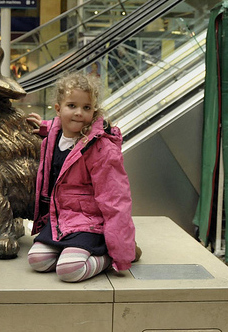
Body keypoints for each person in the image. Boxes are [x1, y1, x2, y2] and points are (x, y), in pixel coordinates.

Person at [26, 72, 139, 282]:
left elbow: (116, 199)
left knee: (69, 271)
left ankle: (106, 254)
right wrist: (44, 126)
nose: (79, 113)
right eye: (71, 106)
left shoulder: (101, 148)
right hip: (61, 218)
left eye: (86, 107)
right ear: (58, 109)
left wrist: (122, 254)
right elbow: (57, 129)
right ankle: (72, 250)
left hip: (90, 222)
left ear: (94, 111)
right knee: (37, 261)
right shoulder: (55, 135)